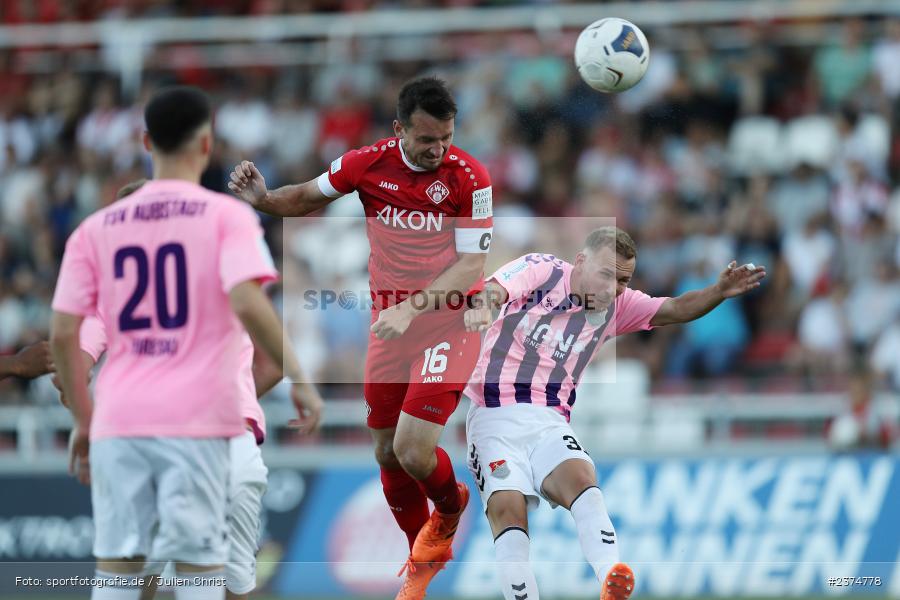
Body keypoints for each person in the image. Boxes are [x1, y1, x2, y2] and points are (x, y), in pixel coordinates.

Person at [50, 86, 322, 600]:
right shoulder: (223, 218)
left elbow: (65, 337)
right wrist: (303, 383)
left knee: (119, 577)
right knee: (208, 580)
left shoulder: (95, 230)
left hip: (122, 427)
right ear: (205, 145)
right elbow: (249, 306)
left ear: (146, 142)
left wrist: (87, 422)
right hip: (204, 427)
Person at [228, 76, 493, 598]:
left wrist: (412, 309)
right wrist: (262, 200)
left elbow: (471, 266)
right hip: (390, 328)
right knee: (387, 455)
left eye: (446, 137)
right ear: (399, 130)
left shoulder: (470, 177)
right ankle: (420, 557)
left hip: (447, 322)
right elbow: (304, 197)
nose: (438, 149)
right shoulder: (366, 164)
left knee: (415, 452)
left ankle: (452, 504)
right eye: (426, 140)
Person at [462, 227, 765, 600]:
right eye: (607, 274)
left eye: (623, 280)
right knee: (507, 510)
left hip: (549, 420)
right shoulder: (543, 271)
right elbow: (498, 288)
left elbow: (673, 308)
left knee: (581, 476)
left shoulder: (617, 308)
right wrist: (483, 303)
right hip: (493, 416)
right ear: (581, 261)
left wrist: (717, 292)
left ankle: (611, 577)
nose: (614, 288)